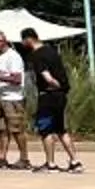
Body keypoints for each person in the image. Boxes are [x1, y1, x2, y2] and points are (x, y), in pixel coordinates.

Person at [22, 30, 81, 172]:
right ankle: (75, 162)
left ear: (29, 39)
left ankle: (51, 164)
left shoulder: (37, 55)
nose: (23, 43)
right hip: (61, 96)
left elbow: (47, 76)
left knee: (46, 130)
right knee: (61, 129)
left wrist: (54, 84)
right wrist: (61, 88)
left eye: (23, 40)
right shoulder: (51, 51)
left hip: (48, 96)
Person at [0, 35, 30, 168]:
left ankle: (24, 158)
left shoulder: (13, 57)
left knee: (16, 129)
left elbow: (17, 79)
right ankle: (2, 157)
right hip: (1, 97)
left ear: (2, 42)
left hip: (13, 98)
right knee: (1, 129)